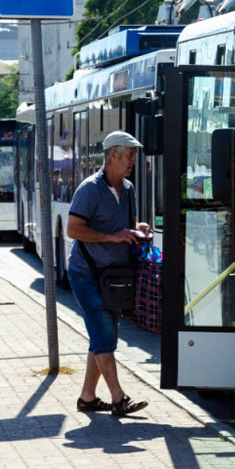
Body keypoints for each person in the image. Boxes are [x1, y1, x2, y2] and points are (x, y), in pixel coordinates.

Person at [66, 131, 151, 417]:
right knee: (104, 334)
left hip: (114, 277)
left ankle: (87, 397)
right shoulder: (89, 189)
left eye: (134, 156)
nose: (134, 161)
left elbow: (127, 225)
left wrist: (140, 229)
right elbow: (73, 229)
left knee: (101, 335)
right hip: (86, 273)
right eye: (130, 155)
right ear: (113, 155)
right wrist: (112, 237)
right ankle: (118, 398)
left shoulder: (128, 188)